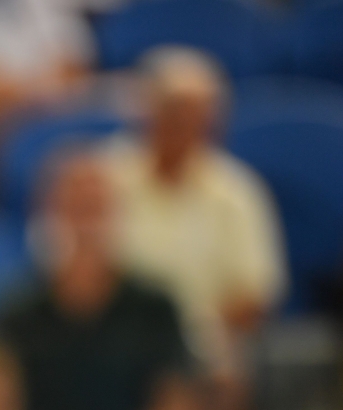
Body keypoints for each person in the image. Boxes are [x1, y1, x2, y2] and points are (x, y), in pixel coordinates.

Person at [0, 153, 203, 410]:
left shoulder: (154, 306)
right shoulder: (15, 311)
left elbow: (174, 403)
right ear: (48, 216)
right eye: (74, 209)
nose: (85, 223)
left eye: (95, 208)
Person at [104, 46, 287, 378]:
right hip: (111, 340)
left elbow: (254, 293)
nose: (183, 122)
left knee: (226, 370)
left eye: (197, 114)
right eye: (173, 109)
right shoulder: (104, 178)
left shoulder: (237, 192)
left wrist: (190, 333)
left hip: (201, 349)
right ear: (146, 111)